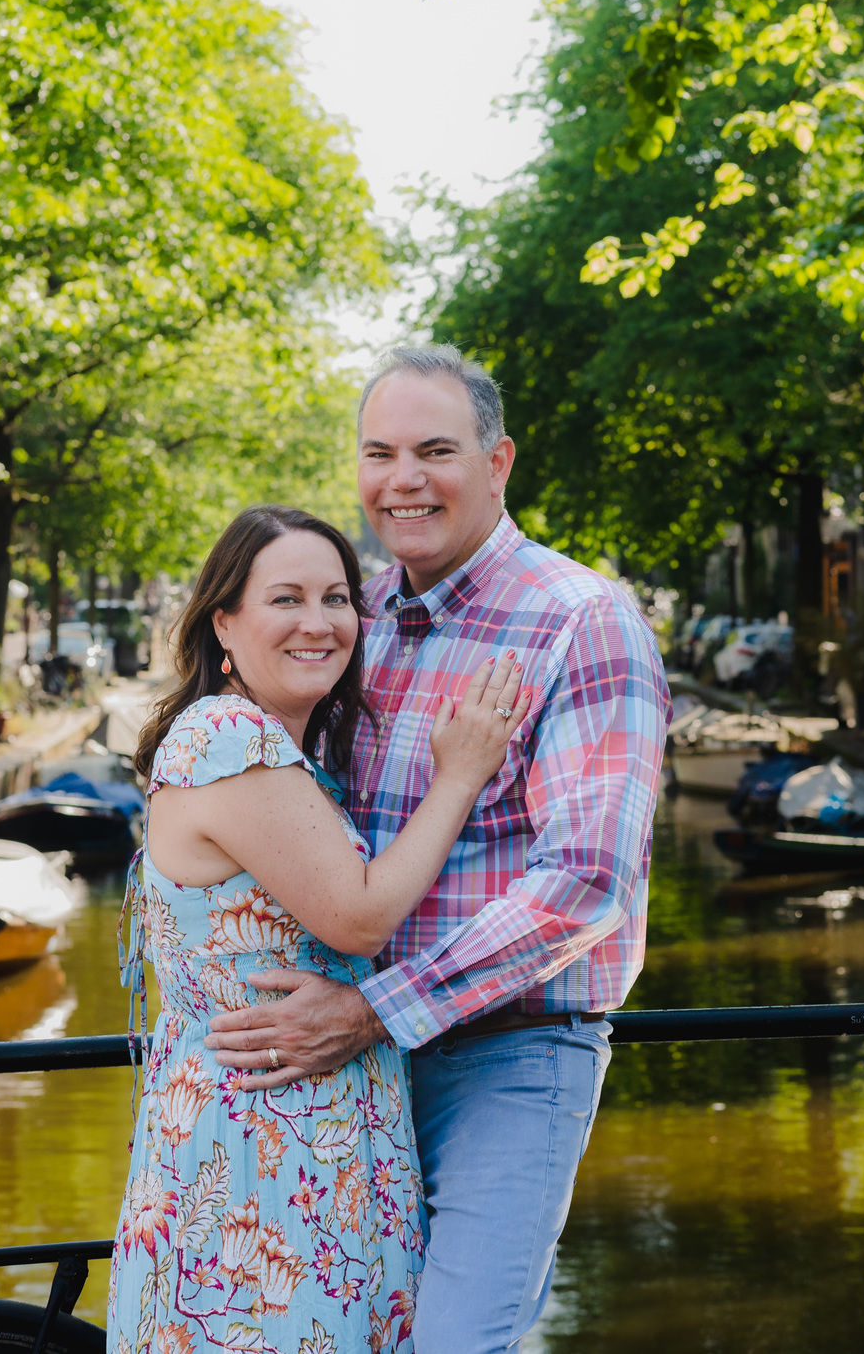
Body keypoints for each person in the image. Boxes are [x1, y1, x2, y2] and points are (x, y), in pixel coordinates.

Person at [205, 346, 670, 1354]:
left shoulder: (581, 621)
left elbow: (588, 882)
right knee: (324, 1332)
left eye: (435, 450)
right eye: (379, 452)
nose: (402, 479)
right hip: (344, 1058)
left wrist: (375, 1010)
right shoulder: (349, 618)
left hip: (510, 1053)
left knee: (458, 1342)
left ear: (498, 463)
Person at [107, 503, 531, 1354]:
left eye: (338, 598)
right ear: (224, 621)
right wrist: (463, 774)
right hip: (260, 1161)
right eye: (287, 599)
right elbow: (361, 915)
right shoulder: (228, 737)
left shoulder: (283, 749)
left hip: (315, 1142)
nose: (319, 622)